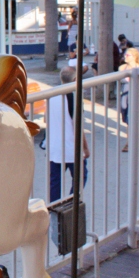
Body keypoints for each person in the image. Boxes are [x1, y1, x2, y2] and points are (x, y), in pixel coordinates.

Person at [48, 67, 89, 203]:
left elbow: (45, 119)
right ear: (75, 80)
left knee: (55, 181)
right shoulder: (74, 97)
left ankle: (55, 207)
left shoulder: (52, 94)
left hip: (54, 146)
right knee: (81, 176)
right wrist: (85, 147)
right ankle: (72, 203)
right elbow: (77, 126)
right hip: (71, 146)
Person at [118, 47, 139, 152]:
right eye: (125, 55)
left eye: (128, 55)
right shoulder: (122, 67)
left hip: (136, 94)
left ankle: (131, 142)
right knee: (126, 118)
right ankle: (131, 140)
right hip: (125, 94)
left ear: (135, 57)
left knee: (133, 118)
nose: (125, 57)